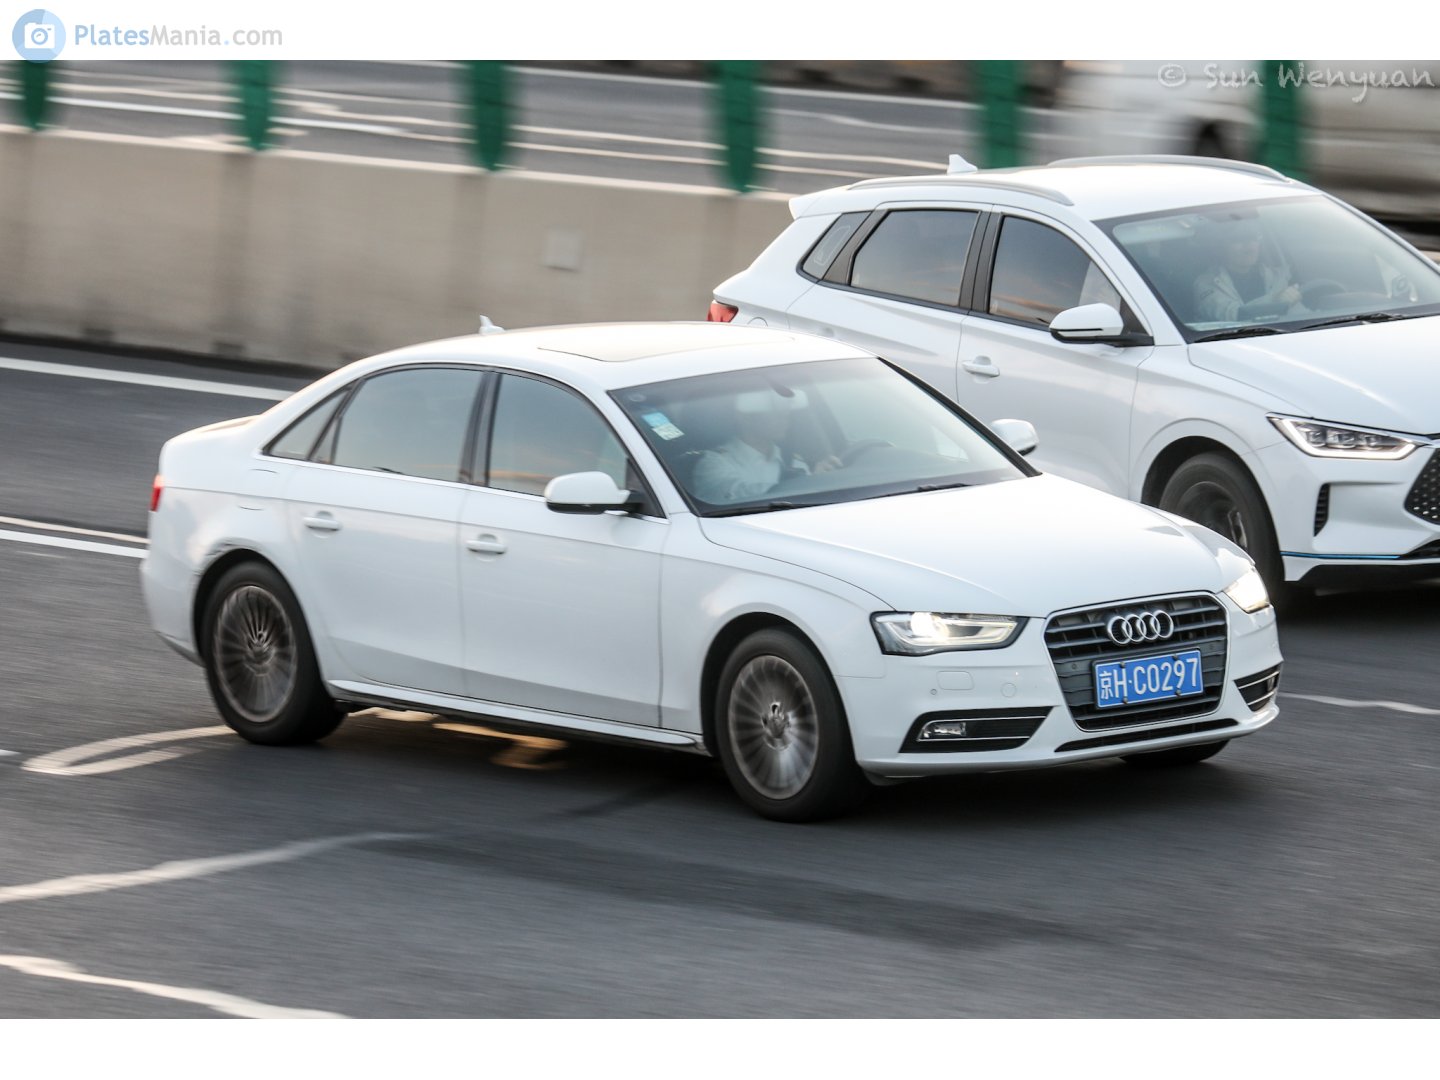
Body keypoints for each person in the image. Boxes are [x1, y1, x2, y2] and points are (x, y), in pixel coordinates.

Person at [691, 389, 840, 503]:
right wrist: (806, 483)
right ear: (746, 418)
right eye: (774, 411)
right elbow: (733, 494)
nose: (785, 417)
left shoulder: (792, 460)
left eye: (785, 412)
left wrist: (819, 480)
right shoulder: (713, 462)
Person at [1193, 221, 1303, 323]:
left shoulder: (1278, 275)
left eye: (1253, 238)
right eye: (1238, 240)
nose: (1249, 247)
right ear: (1222, 246)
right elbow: (1234, 315)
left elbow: (1302, 314)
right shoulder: (1207, 284)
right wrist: (1276, 302)